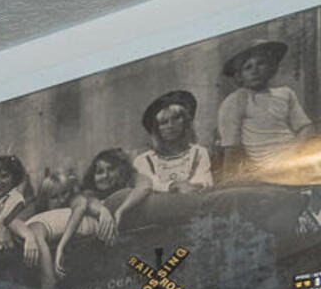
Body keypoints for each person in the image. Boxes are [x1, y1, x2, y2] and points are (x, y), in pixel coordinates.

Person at [215, 39, 316, 182]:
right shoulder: (236, 100)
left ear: (271, 68)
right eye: (248, 67)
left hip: (296, 155)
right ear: (239, 76)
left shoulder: (285, 93)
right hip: (269, 166)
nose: (255, 70)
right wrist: (231, 179)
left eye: (261, 63)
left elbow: (307, 127)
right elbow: (232, 147)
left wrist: (295, 150)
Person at [50, 148, 149, 278]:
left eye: (111, 169)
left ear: (121, 171)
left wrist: (120, 210)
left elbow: (145, 185)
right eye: (99, 172)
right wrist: (103, 211)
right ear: (93, 176)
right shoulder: (89, 193)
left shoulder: (129, 185)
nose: (105, 175)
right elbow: (87, 201)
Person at [134, 89, 213, 193]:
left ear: (185, 122)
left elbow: (204, 181)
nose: (171, 126)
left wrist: (192, 186)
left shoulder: (199, 153)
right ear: (156, 129)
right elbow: (149, 183)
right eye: (164, 122)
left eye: (176, 119)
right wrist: (172, 186)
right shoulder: (144, 160)